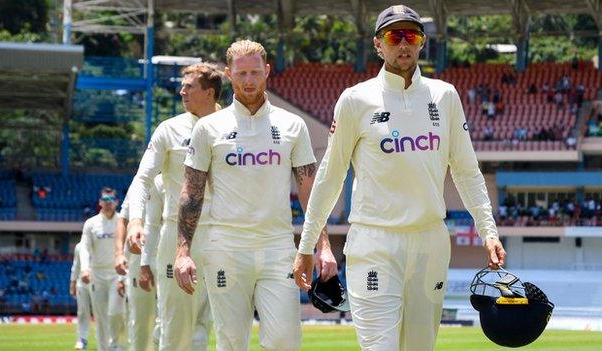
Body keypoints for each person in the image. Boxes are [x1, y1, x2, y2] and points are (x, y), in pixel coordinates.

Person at [292, 5, 507, 351]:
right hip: (374, 243)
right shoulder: (355, 100)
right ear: (379, 45)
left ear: (422, 43)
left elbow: (467, 172)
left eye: (413, 35)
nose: (404, 43)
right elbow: (330, 177)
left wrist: (488, 231)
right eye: (395, 36)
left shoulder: (445, 96)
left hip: (430, 243)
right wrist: (306, 246)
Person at [174, 39, 338, 351]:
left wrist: (324, 246)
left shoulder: (292, 125)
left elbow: (309, 191)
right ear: (228, 75)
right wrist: (183, 252)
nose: (249, 80)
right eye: (241, 73)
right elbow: (191, 193)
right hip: (225, 249)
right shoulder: (208, 128)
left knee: (284, 341)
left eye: (255, 72)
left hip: (277, 248)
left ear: (267, 71)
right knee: (232, 343)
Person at [126, 63, 222, 351]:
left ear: (209, 93)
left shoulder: (234, 127)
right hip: (177, 235)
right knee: (174, 326)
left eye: (189, 86)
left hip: (222, 236)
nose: (181, 91)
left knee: (208, 325)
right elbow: (142, 178)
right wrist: (134, 220)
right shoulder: (169, 129)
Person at [79, 188, 126, 351]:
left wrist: (123, 277)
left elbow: (126, 249)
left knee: (115, 313)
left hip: (117, 274)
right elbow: (84, 248)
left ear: (117, 202)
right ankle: (103, 348)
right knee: (100, 317)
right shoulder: (91, 223)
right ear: (99, 202)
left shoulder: (122, 221)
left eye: (111, 198)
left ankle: (115, 345)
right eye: (105, 199)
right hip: (97, 274)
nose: (108, 201)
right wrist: (85, 269)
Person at [115, 192, 158, 351]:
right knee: (140, 318)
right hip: (137, 260)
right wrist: (119, 254)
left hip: (168, 256)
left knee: (169, 317)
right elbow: (122, 221)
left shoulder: (178, 177)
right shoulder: (137, 187)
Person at [70, 241, 92, 350]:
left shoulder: (104, 242)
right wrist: (73, 283)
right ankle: (82, 340)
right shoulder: (79, 246)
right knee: (83, 312)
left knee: (104, 313)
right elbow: (76, 265)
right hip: (82, 284)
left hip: (101, 283)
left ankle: (109, 341)